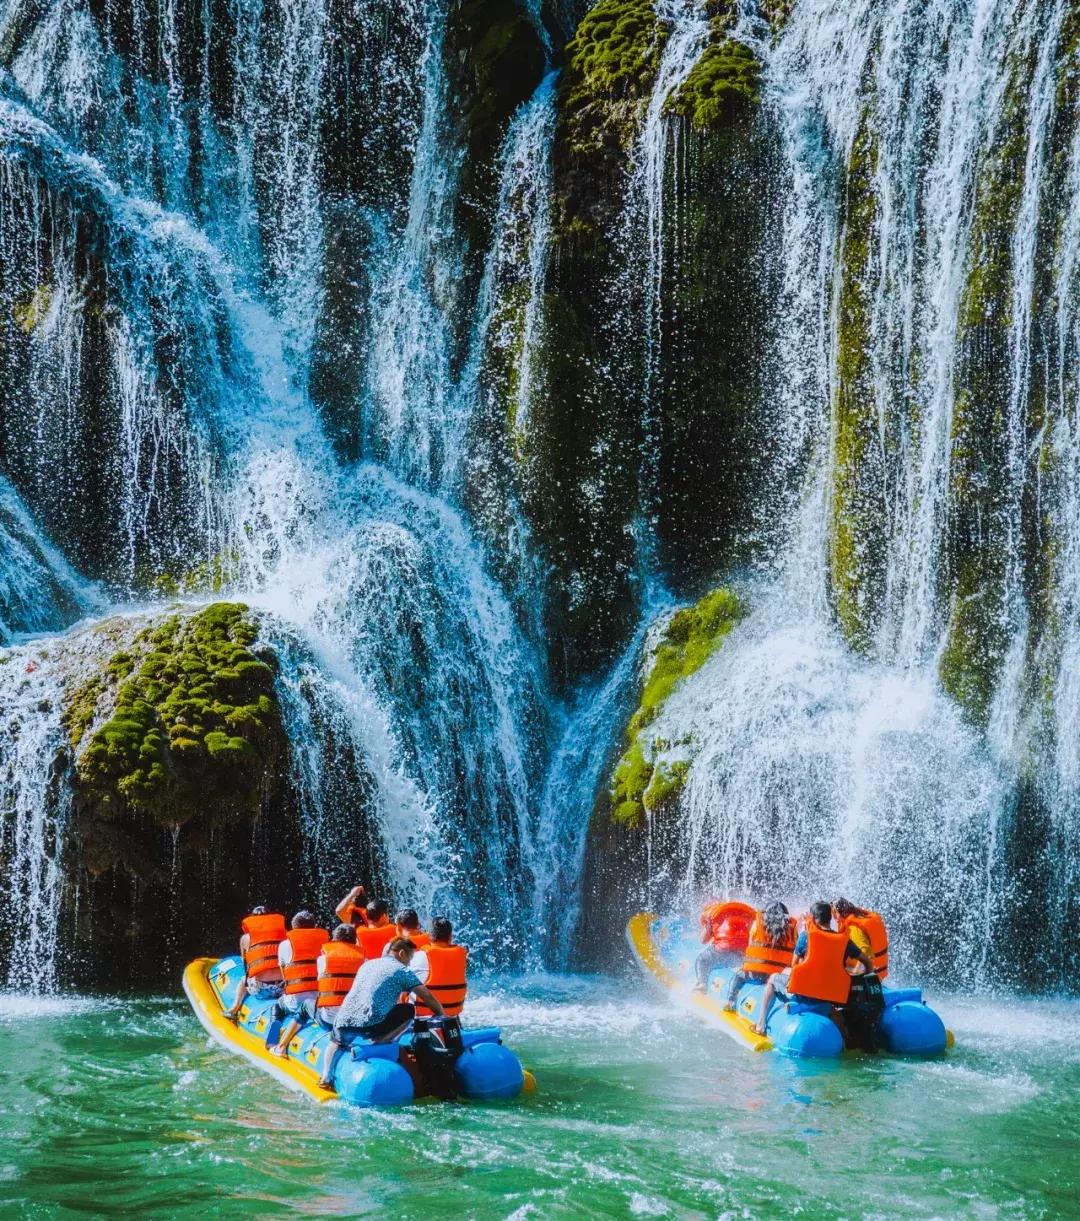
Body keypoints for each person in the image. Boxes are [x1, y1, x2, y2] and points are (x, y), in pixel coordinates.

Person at [318, 938, 444, 1091]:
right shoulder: (401, 970)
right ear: (402, 953)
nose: (409, 964)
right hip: (370, 1025)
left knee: (336, 1042)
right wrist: (440, 1015)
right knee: (408, 1009)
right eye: (409, 959)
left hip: (342, 1022)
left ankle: (325, 1076)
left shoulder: (367, 964)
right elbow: (427, 996)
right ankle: (379, 1043)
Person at [752, 901, 872, 1036]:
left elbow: (794, 965)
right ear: (830, 918)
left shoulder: (806, 936)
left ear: (814, 920)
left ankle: (760, 1026)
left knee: (773, 979)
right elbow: (868, 962)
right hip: (830, 996)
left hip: (804, 993)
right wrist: (861, 977)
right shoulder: (844, 941)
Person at [269, 910, 330, 1058]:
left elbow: (284, 976)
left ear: (294, 928)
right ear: (314, 926)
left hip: (295, 1003)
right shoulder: (327, 944)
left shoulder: (285, 944)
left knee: (278, 1005)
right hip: (319, 1003)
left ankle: (272, 1040)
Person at [722, 901, 796, 1013]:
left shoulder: (758, 923)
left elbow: (750, 944)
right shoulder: (792, 929)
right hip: (777, 978)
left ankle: (730, 1002)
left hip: (756, 976)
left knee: (738, 976)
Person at [225, 905, 287, 1021]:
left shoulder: (245, 938)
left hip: (261, 990)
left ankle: (234, 1008)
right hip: (283, 989)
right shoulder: (284, 935)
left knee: (243, 980)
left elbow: (246, 964)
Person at [413, 917, 468, 1019]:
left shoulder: (421, 956)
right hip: (452, 1015)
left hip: (424, 1017)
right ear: (450, 936)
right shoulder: (463, 955)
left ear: (429, 936)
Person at [693, 902, 753, 992]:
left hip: (723, 951)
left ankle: (702, 984)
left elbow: (703, 940)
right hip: (741, 955)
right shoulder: (747, 916)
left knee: (702, 960)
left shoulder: (712, 916)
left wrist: (707, 926)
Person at [833, 899, 889, 979]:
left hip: (871, 976)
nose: (833, 917)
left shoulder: (853, 928)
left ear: (842, 912)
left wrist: (855, 971)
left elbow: (865, 951)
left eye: (835, 913)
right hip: (878, 972)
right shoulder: (858, 916)